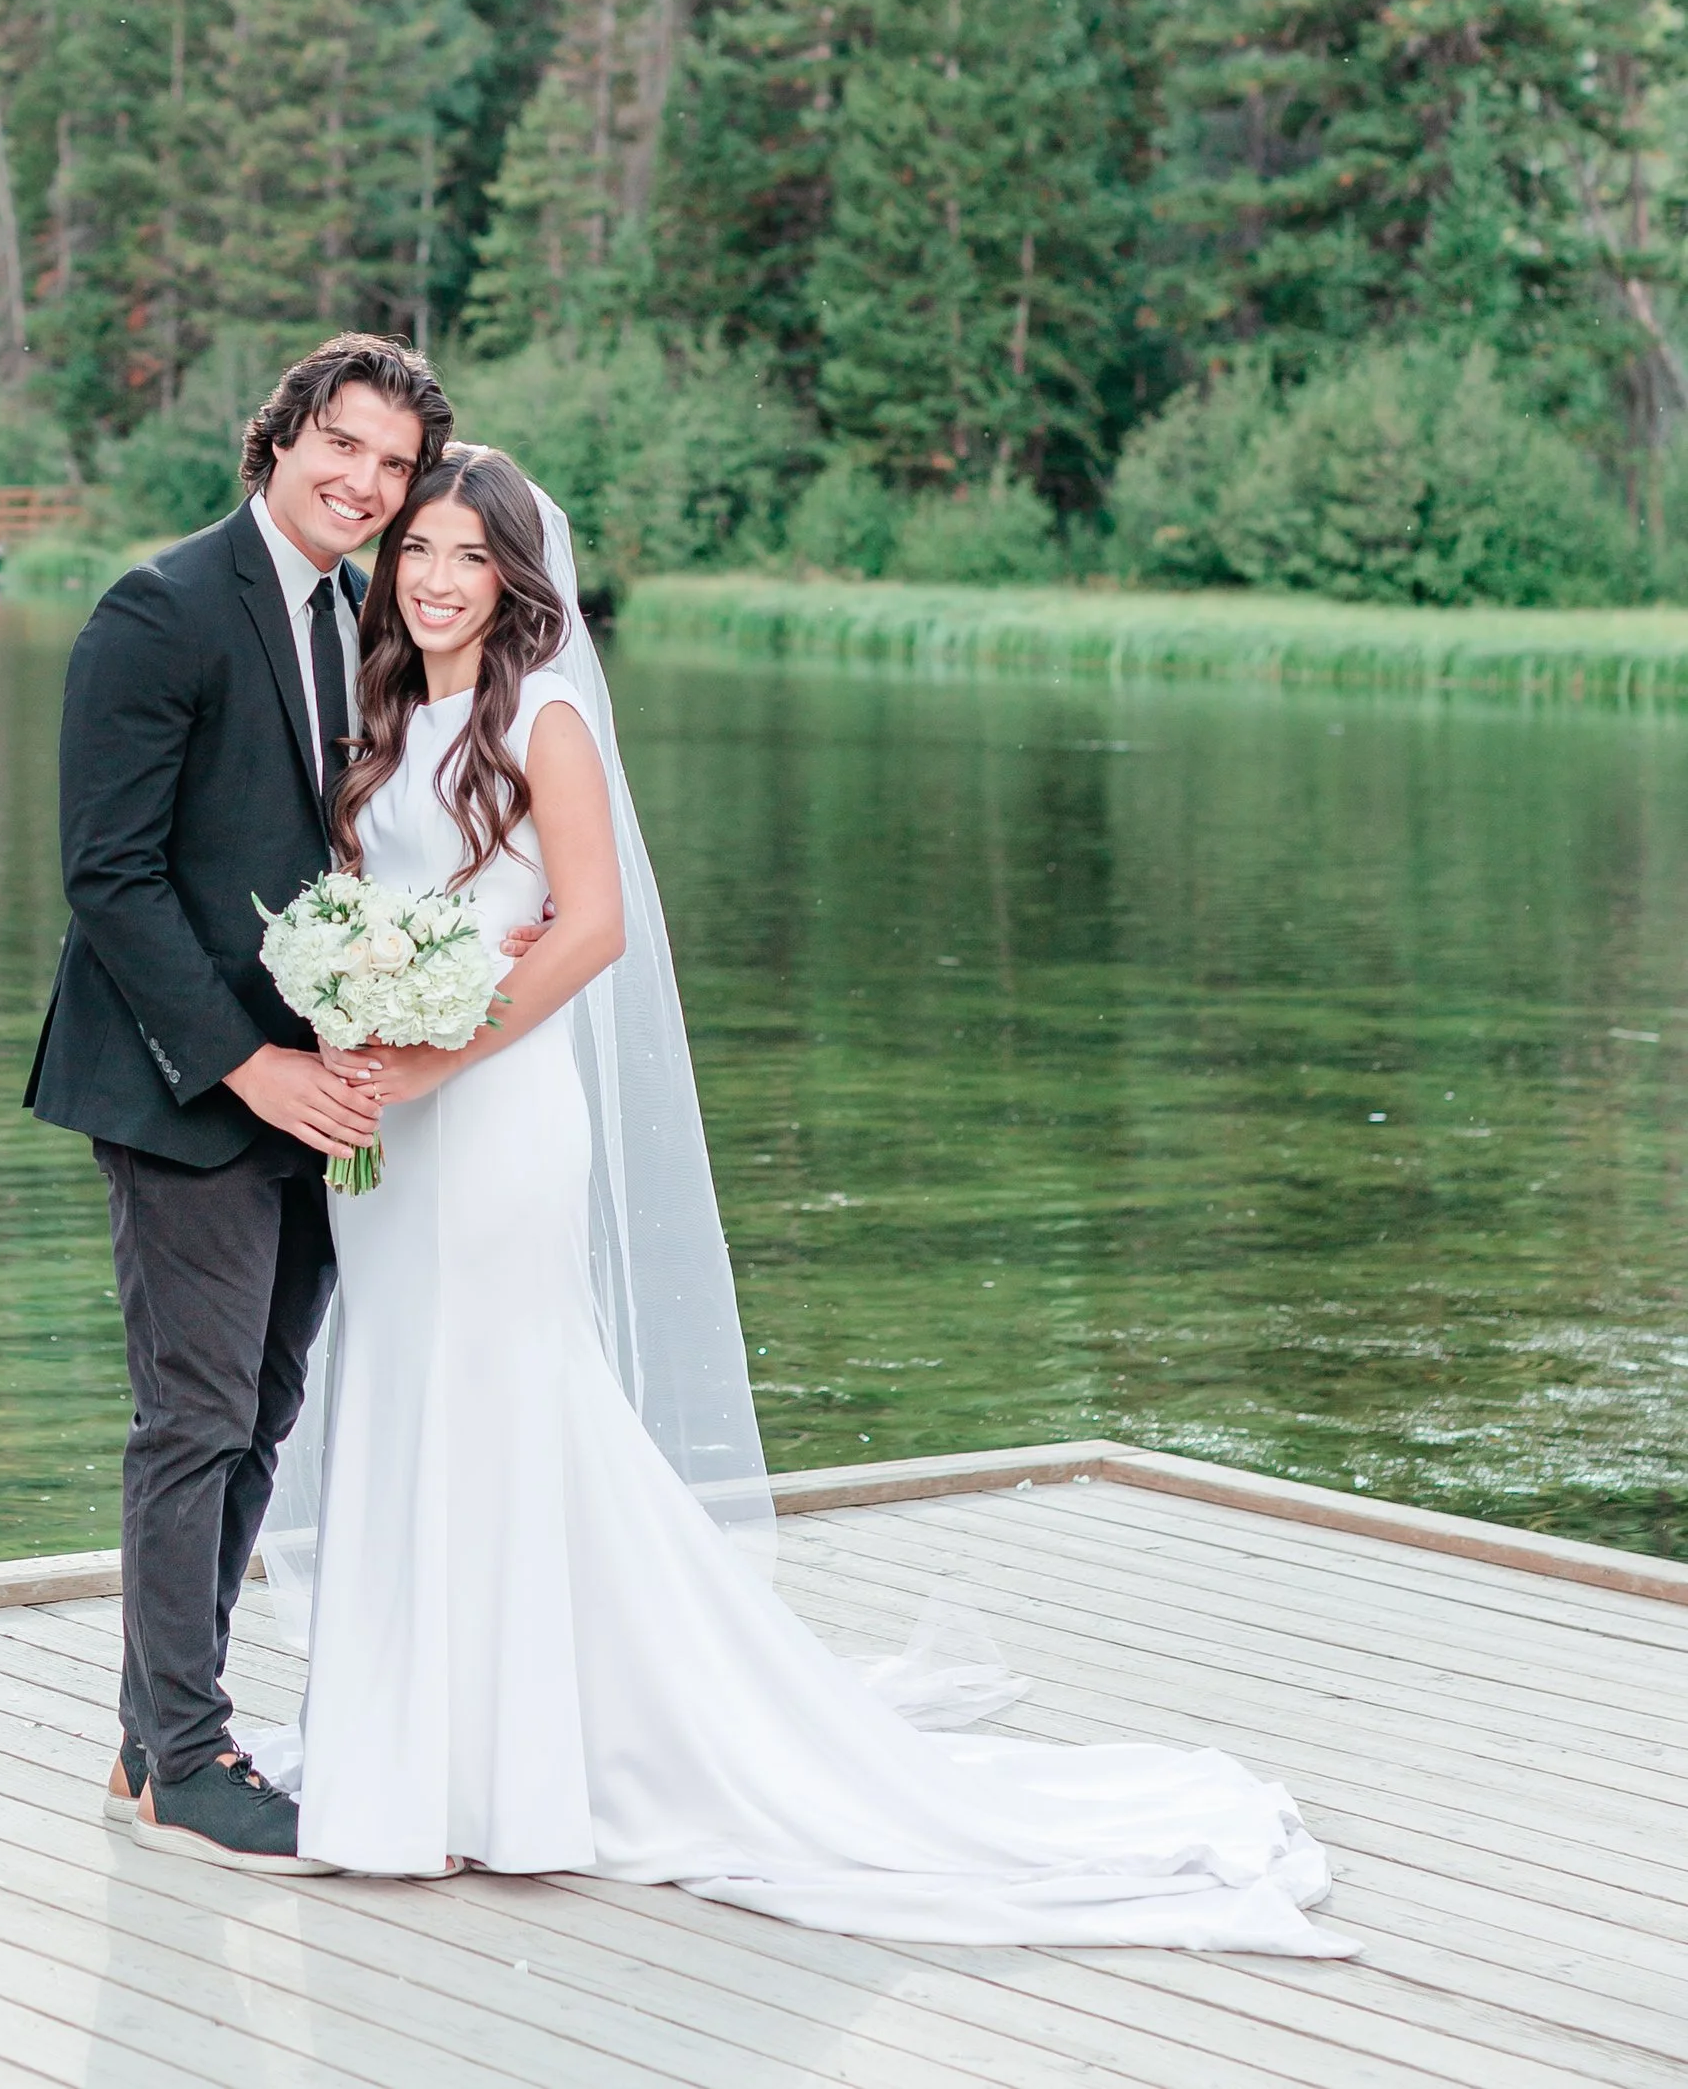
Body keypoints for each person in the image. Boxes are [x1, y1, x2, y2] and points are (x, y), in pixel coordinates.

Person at [253, 443, 1354, 1955]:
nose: (436, 577)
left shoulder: (544, 717)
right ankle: (408, 1751)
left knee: (505, 1396)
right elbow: (360, 908)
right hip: (387, 1130)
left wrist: (441, 1050)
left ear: (518, 580)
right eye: (419, 549)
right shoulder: (381, 718)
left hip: (496, 1116)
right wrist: (349, 1016)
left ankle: (511, 1776)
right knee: (397, 1389)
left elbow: (592, 931)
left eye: (468, 554)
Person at [25, 332, 452, 1870]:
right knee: (193, 1414)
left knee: (262, 1411)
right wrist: (248, 1063)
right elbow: (111, 876)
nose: (364, 481)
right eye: (343, 444)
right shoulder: (161, 608)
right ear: (277, 438)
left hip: (327, 1091)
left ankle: (160, 1735)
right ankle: (191, 1750)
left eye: (393, 466)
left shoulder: (369, 615)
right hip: (186, 1085)